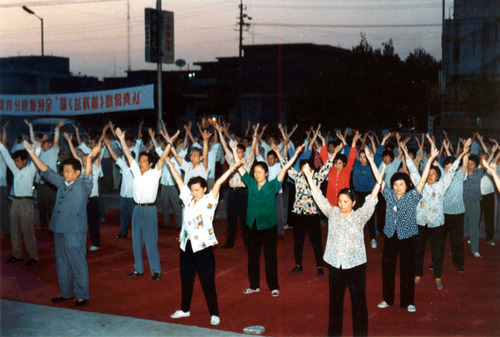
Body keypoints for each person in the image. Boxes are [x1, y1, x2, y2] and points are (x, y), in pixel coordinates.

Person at [303, 156, 383, 337]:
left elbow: (372, 199)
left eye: (345, 201)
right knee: (335, 306)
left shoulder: (360, 216)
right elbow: (319, 196)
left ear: (353, 203)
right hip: (335, 266)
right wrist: (309, 177)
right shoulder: (332, 213)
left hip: (356, 267)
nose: (341, 204)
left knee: (359, 305)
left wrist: (376, 176)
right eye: (339, 201)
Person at [168, 155, 243, 326]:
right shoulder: (187, 199)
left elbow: (217, 183)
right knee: (186, 279)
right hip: (186, 246)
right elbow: (179, 180)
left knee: (207, 281)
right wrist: (171, 166)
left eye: (197, 190)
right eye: (192, 190)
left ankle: (214, 313)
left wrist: (233, 168)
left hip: (203, 248)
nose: (194, 193)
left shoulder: (209, 201)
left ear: (204, 189)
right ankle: (185, 310)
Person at [24, 140, 100, 306]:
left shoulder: (83, 185)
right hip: (59, 229)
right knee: (62, 263)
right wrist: (32, 154)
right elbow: (46, 170)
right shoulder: (61, 183)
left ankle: (82, 295)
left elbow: (88, 174)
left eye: (68, 171)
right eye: (63, 170)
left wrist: (90, 158)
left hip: (74, 231)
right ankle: (66, 293)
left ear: (76, 173)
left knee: (77, 263)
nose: (64, 173)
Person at [368, 143, 438, 313]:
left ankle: (409, 302)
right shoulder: (389, 195)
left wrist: (430, 161)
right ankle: (387, 299)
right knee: (388, 268)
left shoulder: (413, 196)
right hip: (391, 235)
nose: (398, 187)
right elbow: (379, 179)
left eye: (401, 184)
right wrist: (371, 160)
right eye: (395, 184)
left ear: (407, 185)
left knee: (407, 269)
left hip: (407, 237)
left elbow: (422, 179)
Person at [238, 142, 305, 297]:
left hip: (268, 226)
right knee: (253, 257)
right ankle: (254, 285)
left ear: (266, 173)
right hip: (252, 225)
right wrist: (234, 152)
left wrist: (295, 154)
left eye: (260, 172)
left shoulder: (273, 185)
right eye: (255, 171)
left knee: (270, 257)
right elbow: (239, 167)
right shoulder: (250, 182)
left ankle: (273, 286)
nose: (257, 174)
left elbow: (285, 168)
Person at [116, 127, 179, 281]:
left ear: (150, 164)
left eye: (144, 160)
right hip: (137, 209)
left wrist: (169, 144)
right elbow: (127, 155)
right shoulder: (136, 171)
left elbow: (163, 158)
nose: (141, 162)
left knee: (151, 242)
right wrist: (122, 139)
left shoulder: (155, 173)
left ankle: (156, 271)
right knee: (136, 241)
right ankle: (138, 269)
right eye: (140, 160)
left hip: (149, 210)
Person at [406, 136, 467, 290]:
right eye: (428, 174)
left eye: (433, 174)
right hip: (420, 223)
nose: (430, 176)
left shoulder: (442, 186)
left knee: (438, 252)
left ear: (438, 177)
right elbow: (413, 170)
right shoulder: (421, 185)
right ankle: (417, 274)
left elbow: (452, 171)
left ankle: (438, 277)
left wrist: (460, 155)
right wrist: (405, 153)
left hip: (437, 225)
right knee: (418, 251)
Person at [277, 127, 337, 277]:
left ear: (311, 168)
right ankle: (298, 265)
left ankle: (319, 266)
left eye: (307, 168)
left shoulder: (317, 177)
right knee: (298, 242)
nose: (305, 170)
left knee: (316, 241)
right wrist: (279, 152)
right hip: (299, 214)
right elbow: (285, 165)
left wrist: (335, 152)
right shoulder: (297, 177)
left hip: (312, 215)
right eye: (303, 168)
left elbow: (328, 165)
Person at [215, 122, 257, 248]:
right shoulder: (231, 160)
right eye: (236, 151)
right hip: (232, 192)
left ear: (243, 153)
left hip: (243, 192)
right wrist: (220, 133)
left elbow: (253, 149)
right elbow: (225, 146)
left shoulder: (247, 161)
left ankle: (247, 242)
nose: (238, 154)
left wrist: (254, 136)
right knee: (231, 218)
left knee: (244, 219)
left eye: (240, 152)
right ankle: (230, 242)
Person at [0, 139, 39, 266]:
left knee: (27, 230)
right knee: (14, 230)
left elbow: (35, 158)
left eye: (18, 161)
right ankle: (17, 255)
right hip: (15, 202)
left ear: (24, 161)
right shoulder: (16, 171)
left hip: (26, 203)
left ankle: (33, 256)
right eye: (15, 161)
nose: (16, 164)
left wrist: (36, 149)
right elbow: (6, 156)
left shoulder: (31, 170)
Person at [104, 137, 135, 238]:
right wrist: (109, 146)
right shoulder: (124, 166)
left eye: (128, 159)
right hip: (123, 195)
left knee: (134, 217)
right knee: (123, 215)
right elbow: (115, 157)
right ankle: (123, 232)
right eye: (125, 159)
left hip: (132, 197)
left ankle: (137, 235)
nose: (126, 161)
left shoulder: (137, 169)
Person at [320, 130, 360, 206]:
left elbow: (351, 158)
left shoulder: (347, 170)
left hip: (343, 201)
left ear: (344, 163)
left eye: (339, 163)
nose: (337, 165)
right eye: (335, 163)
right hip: (331, 200)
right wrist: (323, 142)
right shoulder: (331, 170)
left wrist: (354, 141)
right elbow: (324, 158)